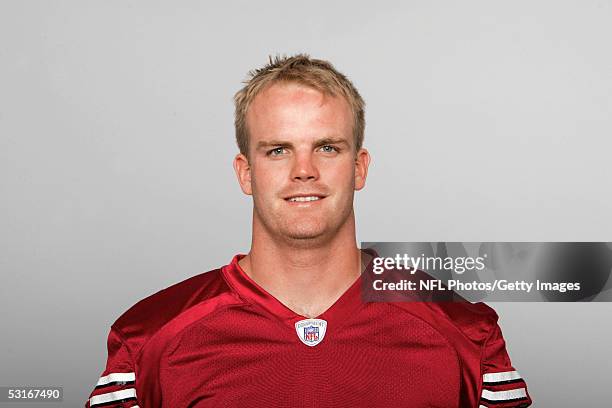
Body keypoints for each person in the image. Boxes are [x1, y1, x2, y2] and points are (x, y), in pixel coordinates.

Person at [85, 55, 532, 407]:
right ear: (246, 173)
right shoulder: (148, 341)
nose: (304, 171)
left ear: (359, 168)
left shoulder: (466, 335)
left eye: (327, 148)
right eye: (278, 150)